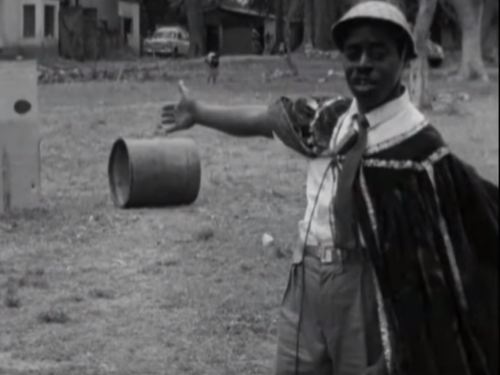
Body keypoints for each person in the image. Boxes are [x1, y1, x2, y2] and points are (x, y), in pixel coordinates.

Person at [159, 2, 498, 375]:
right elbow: (264, 120)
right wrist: (199, 112)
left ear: (403, 58)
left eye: (378, 52)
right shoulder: (330, 117)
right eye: (353, 53)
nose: (363, 63)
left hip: (358, 287)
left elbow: (456, 250)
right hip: (305, 274)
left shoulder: (419, 149)